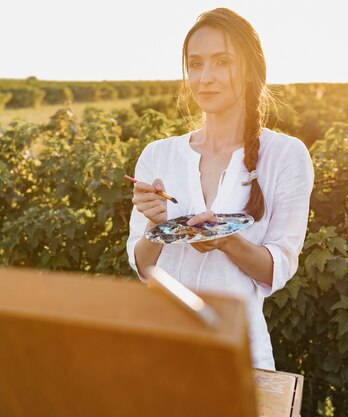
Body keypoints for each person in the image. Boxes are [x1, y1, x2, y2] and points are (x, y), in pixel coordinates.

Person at [126, 7, 314, 370]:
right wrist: (154, 225)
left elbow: (276, 270)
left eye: (221, 62)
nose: (205, 77)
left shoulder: (285, 155)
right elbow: (144, 267)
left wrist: (225, 239)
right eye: (195, 64)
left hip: (240, 359)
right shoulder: (158, 155)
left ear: (248, 71)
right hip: (164, 357)